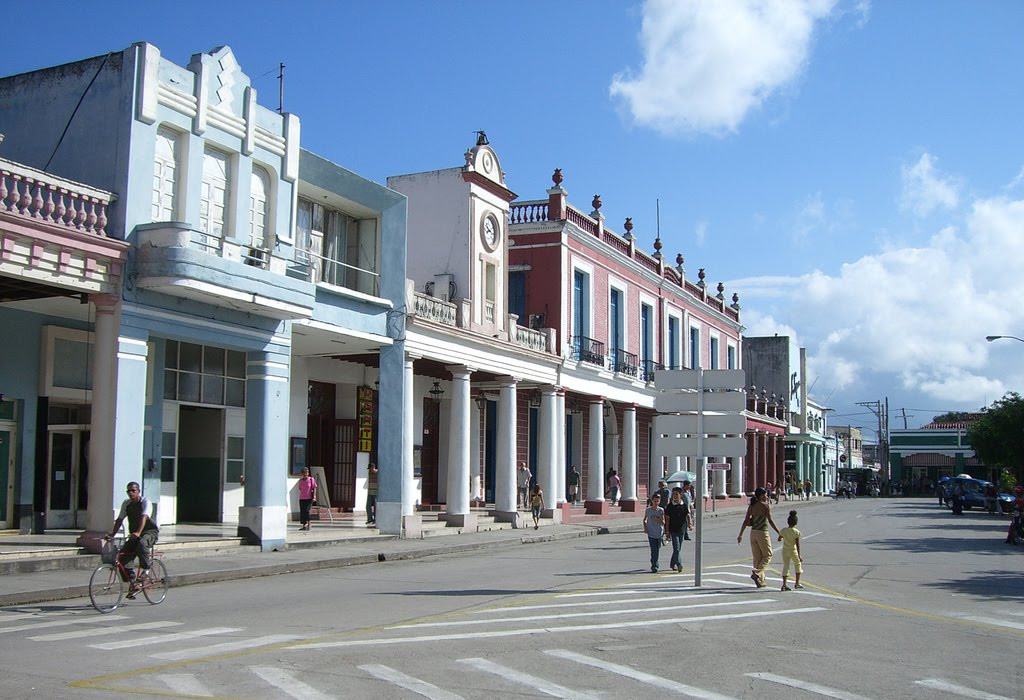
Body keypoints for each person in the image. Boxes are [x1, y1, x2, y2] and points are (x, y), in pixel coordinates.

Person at [105, 482, 159, 599]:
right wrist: (112, 534)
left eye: (133, 491)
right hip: (134, 534)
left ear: (138, 491)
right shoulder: (127, 504)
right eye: (128, 491)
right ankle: (134, 583)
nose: (131, 493)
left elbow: (144, 517)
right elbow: (120, 519)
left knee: (142, 543)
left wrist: (139, 532)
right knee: (122, 557)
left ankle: (146, 569)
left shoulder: (145, 502)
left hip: (149, 532)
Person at [736, 486, 780, 588]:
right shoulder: (765, 506)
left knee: (757, 558)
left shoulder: (752, 506)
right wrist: (779, 532)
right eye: (765, 494)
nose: (766, 496)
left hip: (753, 533)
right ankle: (757, 573)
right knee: (768, 555)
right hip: (762, 533)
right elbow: (770, 521)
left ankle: (760, 581)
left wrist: (740, 534)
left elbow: (746, 521)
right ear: (761, 496)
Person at [778, 510, 804, 591]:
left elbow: (779, 538)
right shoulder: (796, 532)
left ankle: (784, 585)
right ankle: (797, 583)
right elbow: (797, 544)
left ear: (788, 522)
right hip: (793, 550)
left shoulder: (783, 530)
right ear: (796, 522)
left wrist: (782, 537)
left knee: (786, 566)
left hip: (785, 550)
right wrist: (799, 555)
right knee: (797, 564)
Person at [665, 488, 688, 573]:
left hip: (681, 530)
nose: (674, 496)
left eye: (676, 494)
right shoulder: (670, 506)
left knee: (678, 549)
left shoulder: (683, 505)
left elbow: (687, 516)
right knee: (677, 548)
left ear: (680, 495)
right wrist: (667, 531)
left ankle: (672, 563)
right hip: (673, 530)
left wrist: (690, 524)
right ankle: (679, 565)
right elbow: (667, 519)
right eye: (673, 494)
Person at [643, 493, 666, 573]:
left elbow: (663, 522)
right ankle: (654, 565)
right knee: (654, 550)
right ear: (652, 501)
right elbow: (645, 520)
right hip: (651, 533)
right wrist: (645, 527)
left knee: (657, 549)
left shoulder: (661, 510)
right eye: (655, 501)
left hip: (659, 533)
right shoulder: (648, 510)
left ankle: (654, 561)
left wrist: (658, 519)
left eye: (657, 501)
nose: (656, 502)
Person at [297, 467, 317, 531]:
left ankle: (309, 524)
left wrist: (314, 496)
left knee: (307, 511)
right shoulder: (301, 481)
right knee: (302, 512)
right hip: (302, 498)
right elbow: (300, 488)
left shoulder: (311, 479)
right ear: (302, 473)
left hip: (309, 498)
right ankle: (304, 525)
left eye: (307, 472)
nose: (306, 474)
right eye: (304, 473)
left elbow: (314, 488)